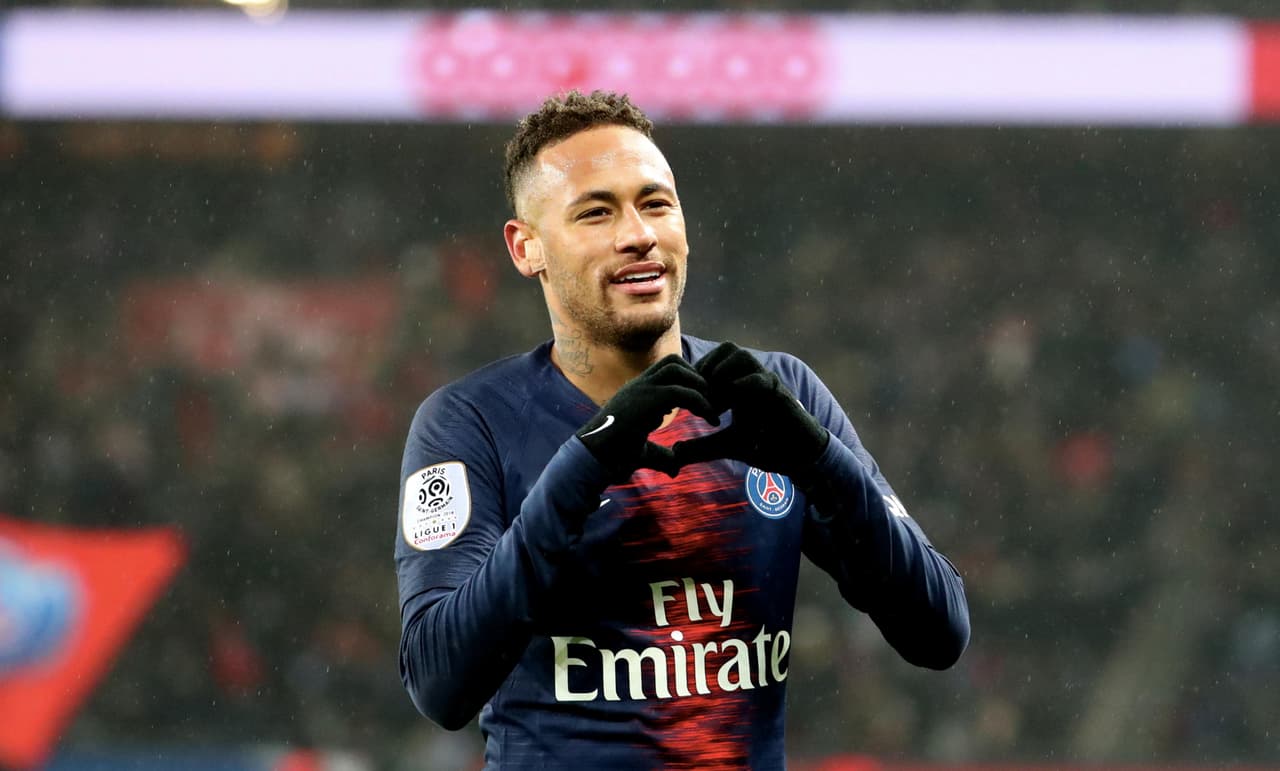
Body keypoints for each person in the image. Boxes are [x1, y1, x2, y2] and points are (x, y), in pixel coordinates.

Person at [395, 90, 970, 769]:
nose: (637, 232)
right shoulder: (470, 422)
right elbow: (440, 682)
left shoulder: (778, 395)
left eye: (655, 202)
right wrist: (588, 463)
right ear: (528, 248)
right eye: (596, 211)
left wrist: (822, 462)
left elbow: (939, 631)